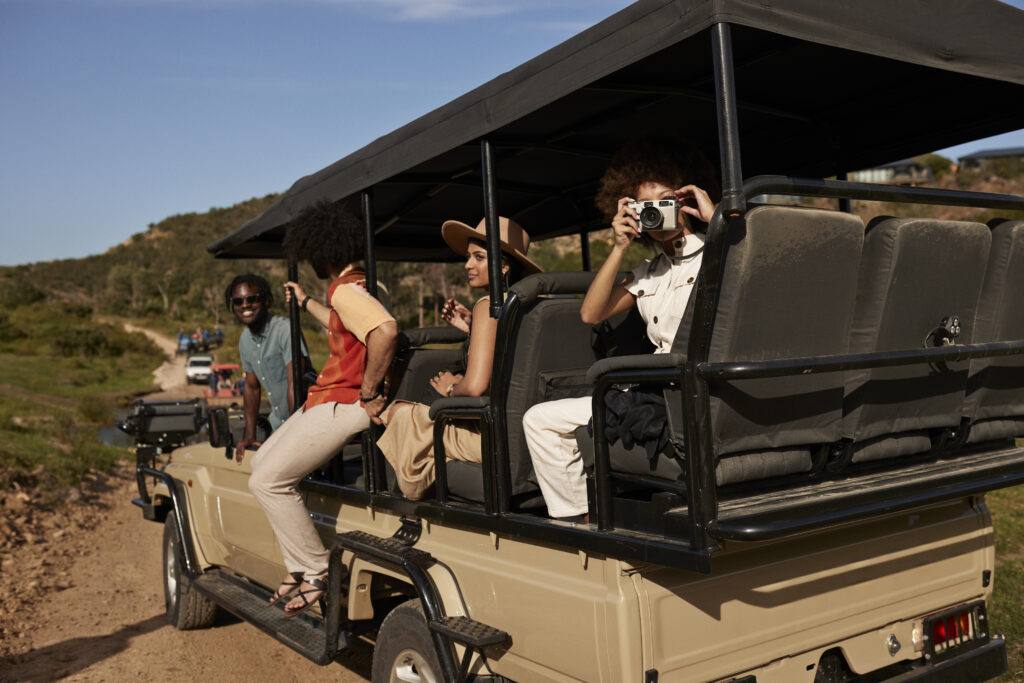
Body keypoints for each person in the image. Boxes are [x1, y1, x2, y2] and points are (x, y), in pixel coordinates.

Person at [522, 138, 719, 523]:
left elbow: (753, 266)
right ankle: (580, 518)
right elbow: (591, 314)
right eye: (647, 207)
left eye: (666, 199)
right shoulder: (647, 271)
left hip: (690, 388)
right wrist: (618, 246)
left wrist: (717, 222)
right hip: (650, 387)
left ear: (685, 200)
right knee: (539, 419)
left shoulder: (719, 251)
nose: (658, 212)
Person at [246, 200, 398, 618]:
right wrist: (307, 301)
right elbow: (342, 320)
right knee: (261, 471)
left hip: (344, 402)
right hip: (328, 399)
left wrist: (368, 391)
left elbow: (385, 331)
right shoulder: (364, 285)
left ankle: (315, 568)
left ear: (320, 252)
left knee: (270, 483)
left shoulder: (346, 289)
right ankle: (298, 566)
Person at [376, 217, 542, 500]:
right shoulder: (529, 306)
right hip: (524, 433)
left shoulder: (488, 304)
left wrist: (450, 389)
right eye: (468, 257)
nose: (467, 265)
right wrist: (473, 329)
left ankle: (401, 501)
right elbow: (511, 353)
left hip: (488, 435)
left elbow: (476, 388)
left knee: (395, 412)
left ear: (503, 265)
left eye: (479, 257)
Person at [225, 274, 308, 458]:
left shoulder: (285, 330)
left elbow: (296, 381)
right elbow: (252, 387)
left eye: (251, 299)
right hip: (278, 427)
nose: (245, 305)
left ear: (266, 300)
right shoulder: (245, 340)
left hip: (303, 425)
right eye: (238, 301)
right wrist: (249, 436)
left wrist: (292, 432)